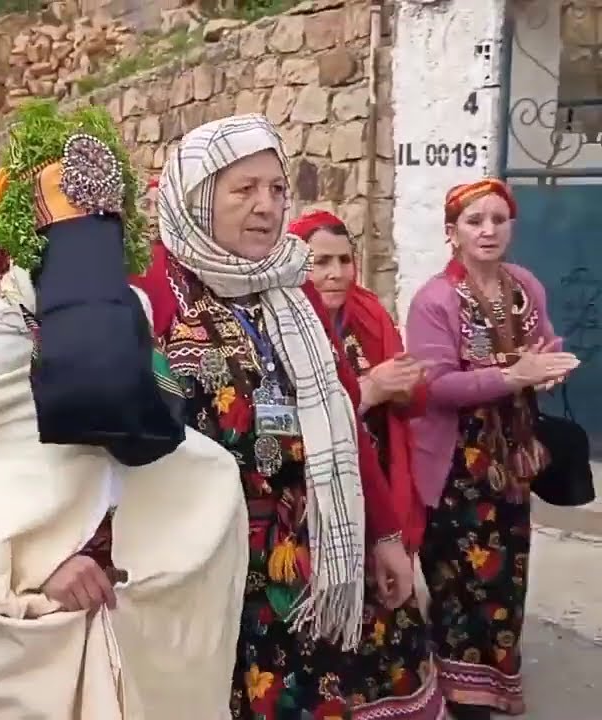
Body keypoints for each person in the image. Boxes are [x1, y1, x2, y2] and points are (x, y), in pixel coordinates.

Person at [0, 100, 249, 718]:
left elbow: (152, 449)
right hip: (31, 620)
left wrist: (130, 546)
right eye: (73, 215)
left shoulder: (128, 315)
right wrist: (37, 570)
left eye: (102, 218)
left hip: (123, 605)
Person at [131, 114, 415, 719]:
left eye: (277, 189)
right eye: (243, 189)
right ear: (196, 196)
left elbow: (341, 412)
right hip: (198, 562)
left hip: (305, 559)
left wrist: (386, 534)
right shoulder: (150, 286)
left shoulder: (294, 287)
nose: (266, 206)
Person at [405, 179, 579, 720]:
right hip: (458, 460)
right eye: (474, 221)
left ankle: (497, 680)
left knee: (508, 570)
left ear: (511, 227)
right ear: (451, 233)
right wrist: (513, 374)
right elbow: (434, 387)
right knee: (458, 575)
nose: (487, 230)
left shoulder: (523, 285)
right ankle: (459, 691)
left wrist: (548, 365)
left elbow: (543, 340)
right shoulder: (434, 299)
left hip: (510, 458)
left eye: (498, 220)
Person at [292, 210, 441, 718]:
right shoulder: (290, 324)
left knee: (390, 610)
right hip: (318, 503)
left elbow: (412, 395)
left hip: (375, 482)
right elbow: (297, 422)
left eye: (344, 260)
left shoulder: (369, 314)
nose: (335, 273)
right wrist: (368, 389)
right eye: (320, 262)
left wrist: (401, 386)